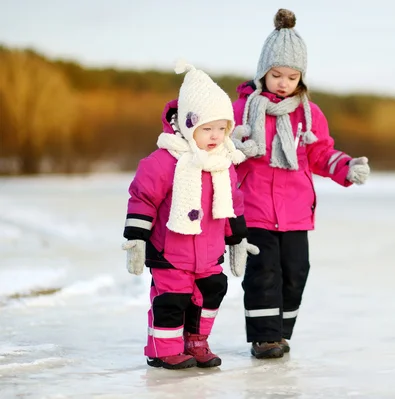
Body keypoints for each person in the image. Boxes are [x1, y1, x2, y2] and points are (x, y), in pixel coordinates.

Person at [229, 9, 371, 359]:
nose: (283, 83)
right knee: (264, 273)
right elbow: (222, 148)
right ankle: (264, 339)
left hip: (294, 212)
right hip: (256, 208)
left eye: (292, 77)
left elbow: (320, 153)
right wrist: (234, 144)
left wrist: (346, 167)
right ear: (263, 71)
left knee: (295, 272)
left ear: (301, 78)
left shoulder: (309, 113)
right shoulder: (244, 109)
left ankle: (281, 332)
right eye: (276, 74)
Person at [122, 61, 255, 369]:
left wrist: (236, 239)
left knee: (211, 292)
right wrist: (136, 238)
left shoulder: (223, 164)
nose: (215, 136)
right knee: (172, 300)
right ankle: (162, 348)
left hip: (208, 254)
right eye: (206, 129)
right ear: (188, 124)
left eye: (222, 129)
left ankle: (196, 341)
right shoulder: (163, 161)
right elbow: (142, 198)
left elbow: (233, 203)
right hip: (171, 252)